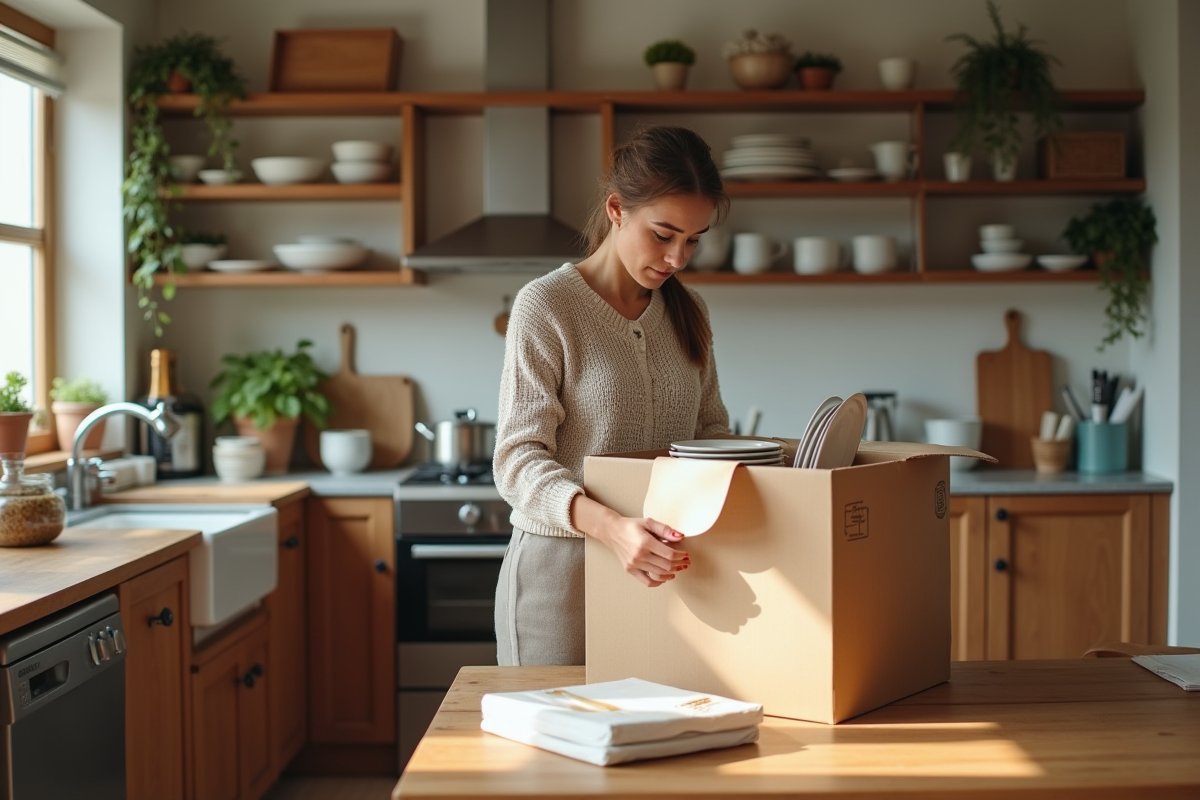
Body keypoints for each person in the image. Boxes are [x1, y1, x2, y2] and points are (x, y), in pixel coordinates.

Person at [493, 125, 731, 667]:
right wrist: (612, 528)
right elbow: (517, 461)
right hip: (560, 583)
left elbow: (710, 432)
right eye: (663, 234)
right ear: (617, 209)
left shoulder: (688, 312)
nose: (678, 258)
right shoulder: (546, 307)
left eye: (694, 240)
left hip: (664, 580)